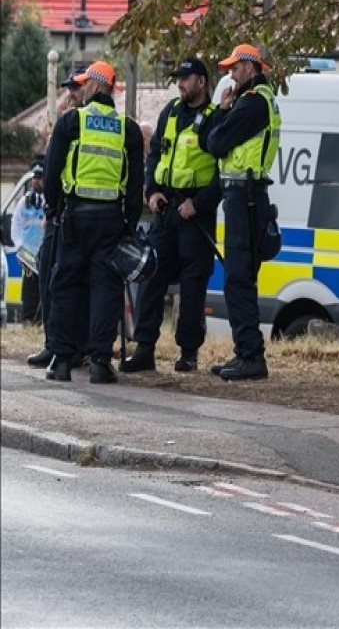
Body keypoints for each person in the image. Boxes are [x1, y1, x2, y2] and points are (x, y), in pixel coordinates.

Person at [41, 61, 144, 383]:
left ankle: (61, 360)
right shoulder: (128, 128)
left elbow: (52, 171)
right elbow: (134, 181)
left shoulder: (72, 122)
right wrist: (129, 222)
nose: (81, 88)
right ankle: (100, 362)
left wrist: (53, 209)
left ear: (97, 85)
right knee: (106, 289)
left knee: (65, 285)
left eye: (86, 83)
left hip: (74, 218)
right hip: (111, 219)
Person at [121, 57, 220, 374]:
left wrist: (200, 203)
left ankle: (188, 353)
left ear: (201, 82)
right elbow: (154, 157)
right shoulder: (171, 113)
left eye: (186, 78)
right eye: (178, 78)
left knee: (193, 286)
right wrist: (152, 192)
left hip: (195, 215)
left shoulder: (215, 119)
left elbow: (223, 174)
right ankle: (145, 349)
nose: (180, 83)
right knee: (151, 276)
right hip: (166, 210)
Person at [198, 43, 281, 382]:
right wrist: (220, 111)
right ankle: (245, 352)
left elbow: (215, 144)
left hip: (245, 198)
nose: (230, 74)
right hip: (244, 197)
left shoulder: (254, 104)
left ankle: (250, 356)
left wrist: (223, 115)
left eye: (234, 68)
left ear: (250, 67)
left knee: (238, 278)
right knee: (240, 277)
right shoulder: (253, 102)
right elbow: (209, 139)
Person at [25, 75, 88, 370]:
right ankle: (55, 344)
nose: (71, 94)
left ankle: (67, 347)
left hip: (70, 212)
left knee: (64, 280)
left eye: (75, 89)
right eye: (69, 90)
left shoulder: (83, 124)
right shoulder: (68, 122)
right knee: (51, 274)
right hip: (61, 213)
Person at [12, 157, 46, 323]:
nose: (35, 182)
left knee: (44, 290)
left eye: (39, 178)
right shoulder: (24, 203)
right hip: (28, 255)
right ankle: (28, 320)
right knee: (29, 290)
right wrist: (20, 247)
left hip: (44, 255)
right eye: (34, 178)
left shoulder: (50, 203)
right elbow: (15, 225)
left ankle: (41, 321)